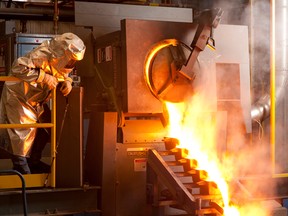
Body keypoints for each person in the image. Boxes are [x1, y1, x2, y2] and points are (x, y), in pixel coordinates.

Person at [0, 32, 86, 174]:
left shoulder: (61, 60)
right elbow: (18, 67)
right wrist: (43, 77)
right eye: (71, 59)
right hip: (18, 98)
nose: (72, 63)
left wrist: (68, 81)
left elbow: (62, 73)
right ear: (64, 52)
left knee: (46, 129)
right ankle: (22, 171)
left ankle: (33, 162)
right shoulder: (44, 53)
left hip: (35, 101)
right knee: (19, 137)